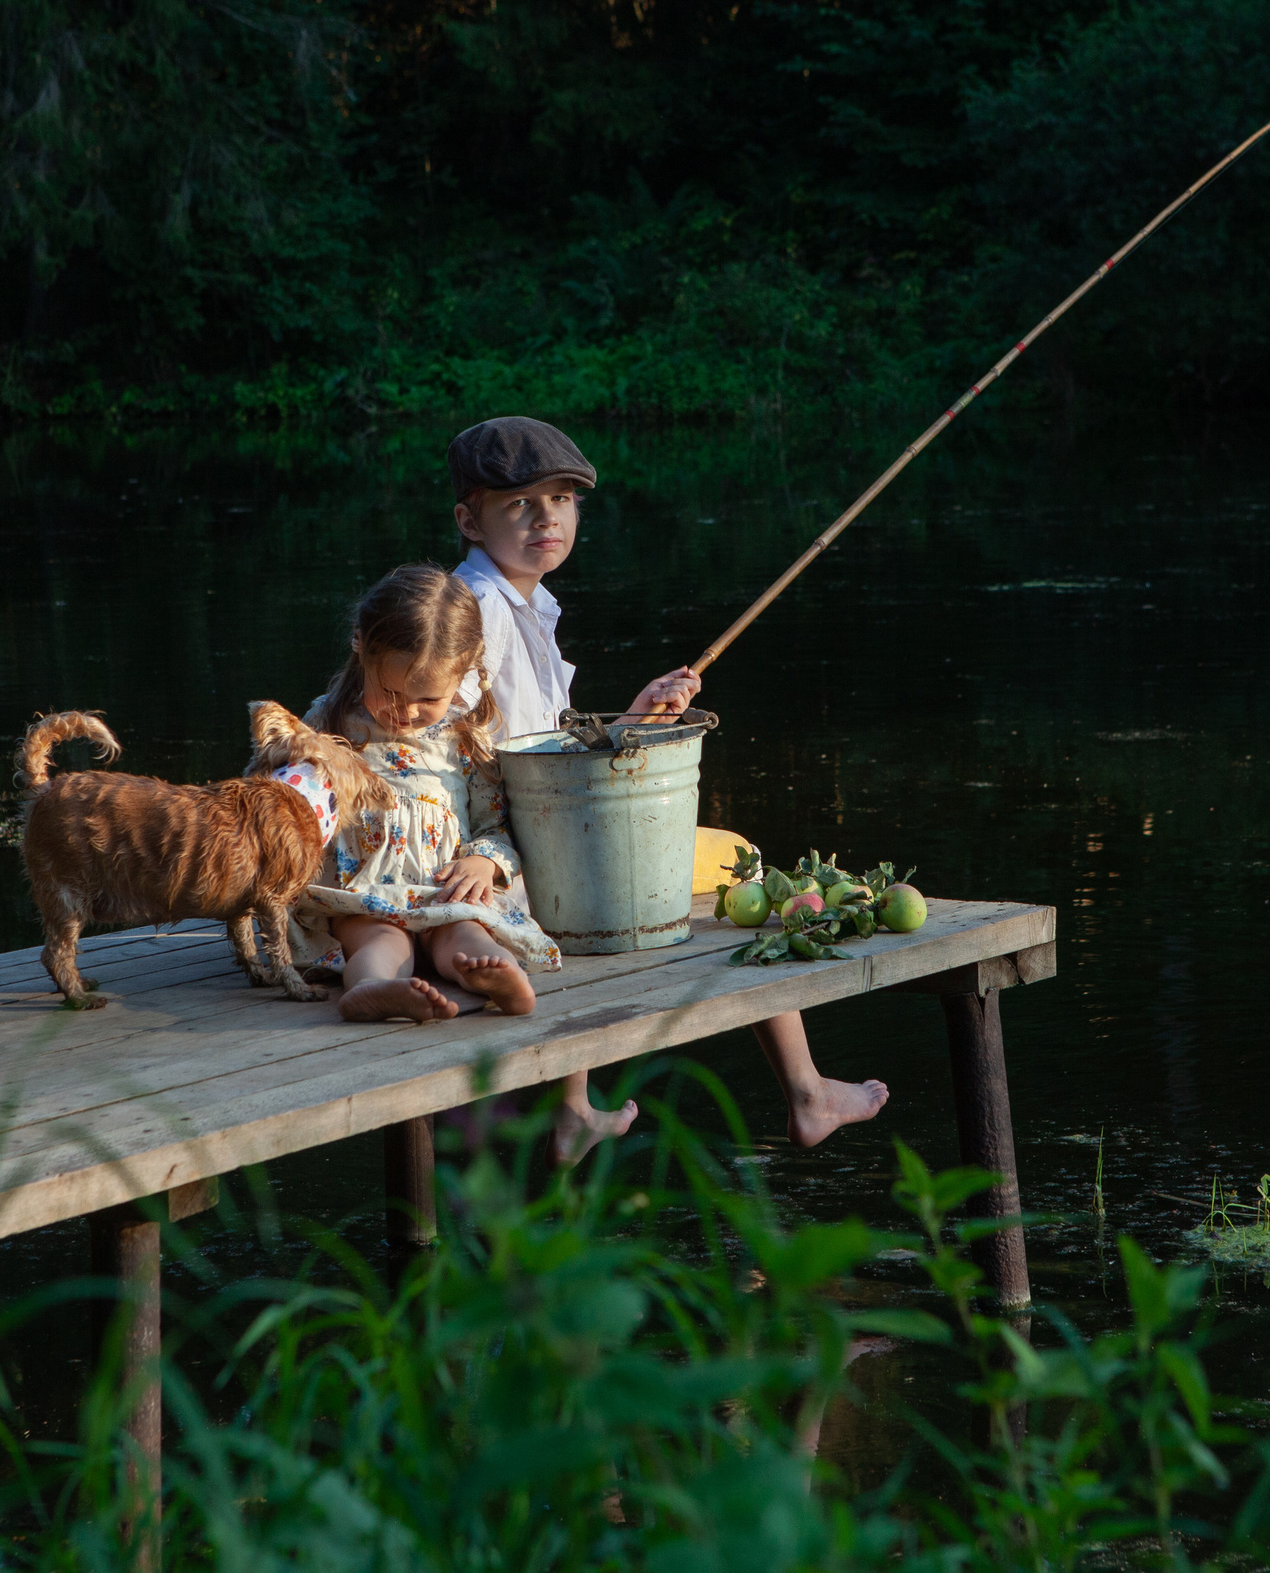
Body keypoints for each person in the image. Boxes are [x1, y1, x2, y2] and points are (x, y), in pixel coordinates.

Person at [446, 416, 890, 1151]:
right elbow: (462, 748)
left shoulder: (521, 602)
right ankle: (807, 1093)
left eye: (561, 500)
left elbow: (545, 747)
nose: (546, 518)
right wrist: (485, 851)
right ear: (470, 520)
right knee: (741, 863)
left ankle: (572, 1108)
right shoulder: (479, 611)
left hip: (535, 831)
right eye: (519, 503)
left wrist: (632, 721)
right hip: (514, 848)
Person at [288, 563, 561, 1024]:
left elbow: (494, 823)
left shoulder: (466, 737)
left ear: (465, 671)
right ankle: (374, 988)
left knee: (466, 935)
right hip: (363, 891)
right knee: (379, 941)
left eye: (429, 699)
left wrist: (485, 862)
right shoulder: (326, 725)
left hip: (443, 890)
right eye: (390, 692)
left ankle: (501, 977)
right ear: (361, 647)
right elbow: (288, 803)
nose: (408, 711)